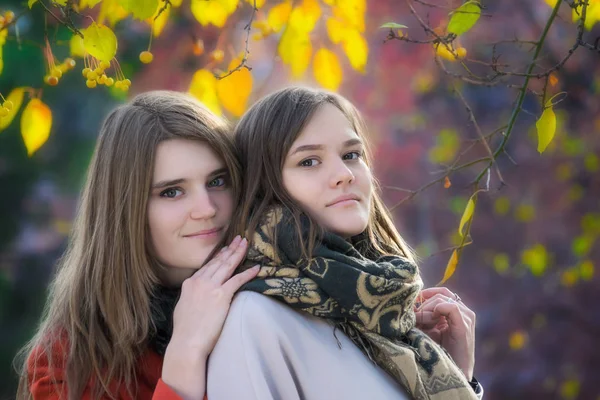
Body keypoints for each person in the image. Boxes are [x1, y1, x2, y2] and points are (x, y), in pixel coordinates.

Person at [206, 86, 482, 400]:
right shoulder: (255, 319)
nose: (343, 174)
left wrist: (458, 374)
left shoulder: (386, 316)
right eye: (309, 161)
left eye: (351, 155)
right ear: (264, 185)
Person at [15, 91, 259, 400]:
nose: (207, 208)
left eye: (217, 181)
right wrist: (185, 353)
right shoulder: (67, 363)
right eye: (171, 192)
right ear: (125, 211)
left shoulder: (288, 295)